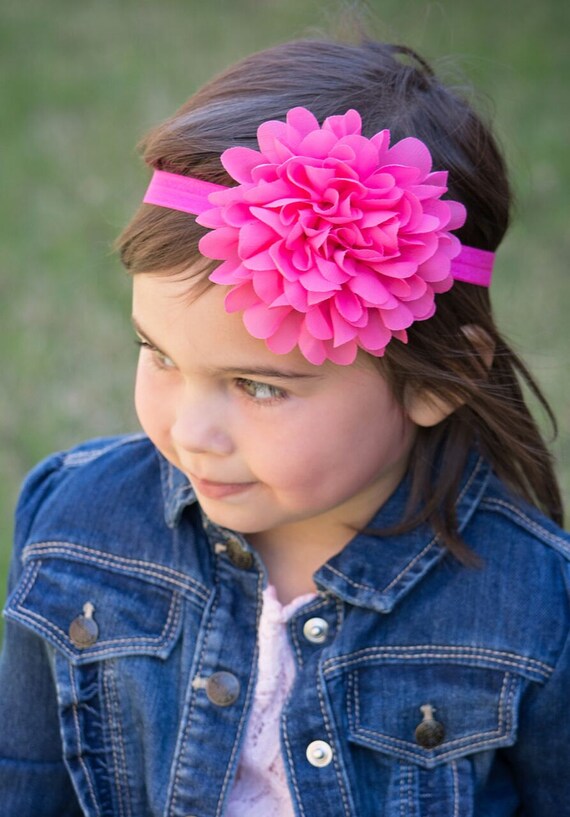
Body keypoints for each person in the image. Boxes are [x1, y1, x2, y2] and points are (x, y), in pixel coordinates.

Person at [0, 35, 568, 817]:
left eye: (259, 386)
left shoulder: (532, 603)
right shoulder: (77, 528)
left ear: (441, 381)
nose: (193, 432)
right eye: (157, 354)